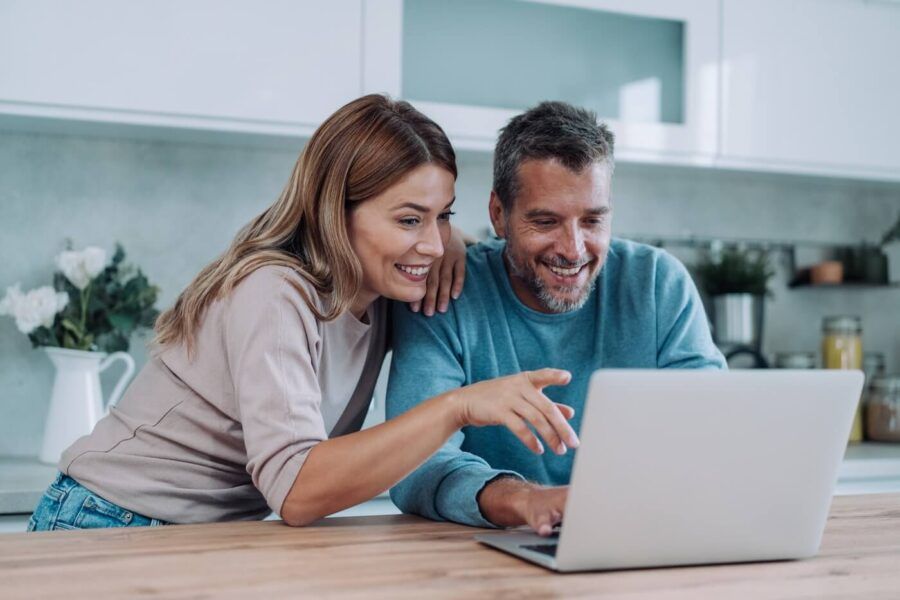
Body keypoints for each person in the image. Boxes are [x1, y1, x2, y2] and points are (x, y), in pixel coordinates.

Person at [28, 94, 580, 531]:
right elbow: (296, 491)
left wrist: (446, 236)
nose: (434, 244)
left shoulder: (384, 283)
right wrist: (456, 408)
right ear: (335, 214)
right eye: (411, 219)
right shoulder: (275, 292)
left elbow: (440, 240)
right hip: (106, 517)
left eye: (442, 216)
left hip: (200, 531)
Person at [386, 101, 726, 537]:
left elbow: (713, 430)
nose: (573, 249)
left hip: (643, 534)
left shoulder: (658, 284)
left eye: (592, 220)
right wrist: (526, 501)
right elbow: (415, 465)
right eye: (545, 221)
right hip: (489, 552)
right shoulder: (445, 293)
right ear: (498, 215)